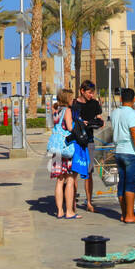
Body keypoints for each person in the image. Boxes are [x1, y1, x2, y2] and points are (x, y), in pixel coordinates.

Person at [111, 87, 135, 224]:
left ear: (121, 99)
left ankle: (124, 213)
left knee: (122, 183)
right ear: (134, 99)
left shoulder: (115, 112)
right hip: (129, 152)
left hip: (118, 151)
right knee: (130, 184)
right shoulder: (132, 113)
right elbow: (134, 134)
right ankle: (130, 215)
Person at [72, 80, 103, 212]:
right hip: (76, 141)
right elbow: (70, 122)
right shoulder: (74, 104)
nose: (91, 95)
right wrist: (80, 123)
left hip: (89, 140)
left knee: (89, 172)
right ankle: (72, 201)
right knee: (74, 173)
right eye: (89, 92)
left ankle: (89, 202)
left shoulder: (95, 103)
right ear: (82, 91)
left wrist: (98, 122)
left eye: (92, 93)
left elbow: (100, 118)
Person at [50, 89, 79, 218]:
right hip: (65, 148)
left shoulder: (55, 110)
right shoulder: (67, 111)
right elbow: (69, 127)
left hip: (55, 148)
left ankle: (59, 211)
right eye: (71, 98)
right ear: (67, 98)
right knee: (70, 179)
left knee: (59, 180)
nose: (73, 100)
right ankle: (69, 211)